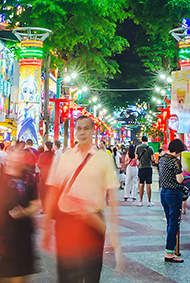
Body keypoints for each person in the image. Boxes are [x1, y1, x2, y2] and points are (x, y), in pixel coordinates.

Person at [43, 115, 123, 283]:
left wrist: (114, 235)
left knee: (91, 275)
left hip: (92, 223)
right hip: (66, 223)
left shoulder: (104, 158)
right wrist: (46, 229)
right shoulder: (65, 156)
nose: (82, 132)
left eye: (86, 128)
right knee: (66, 276)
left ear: (93, 131)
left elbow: (113, 199)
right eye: (79, 128)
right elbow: (53, 190)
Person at [0, 145, 40, 282]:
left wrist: (24, 212)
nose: (14, 159)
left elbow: (36, 203)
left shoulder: (29, 178)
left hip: (21, 235)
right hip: (1, 234)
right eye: (12, 156)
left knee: (18, 276)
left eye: (18, 155)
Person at [158, 138, 187, 263]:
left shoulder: (162, 158)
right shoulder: (175, 161)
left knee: (170, 222)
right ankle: (169, 252)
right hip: (174, 193)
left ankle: (171, 248)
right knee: (174, 223)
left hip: (164, 192)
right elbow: (179, 180)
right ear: (177, 151)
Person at [135, 136, 154, 207]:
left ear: (141, 140)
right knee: (148, 184)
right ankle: (149, 201)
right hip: (148, 168)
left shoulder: (138, 147)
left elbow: (136, 157)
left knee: (141, 184)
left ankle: (140, 201)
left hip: (141, 168)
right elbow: (152, 159)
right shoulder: (150, 148)